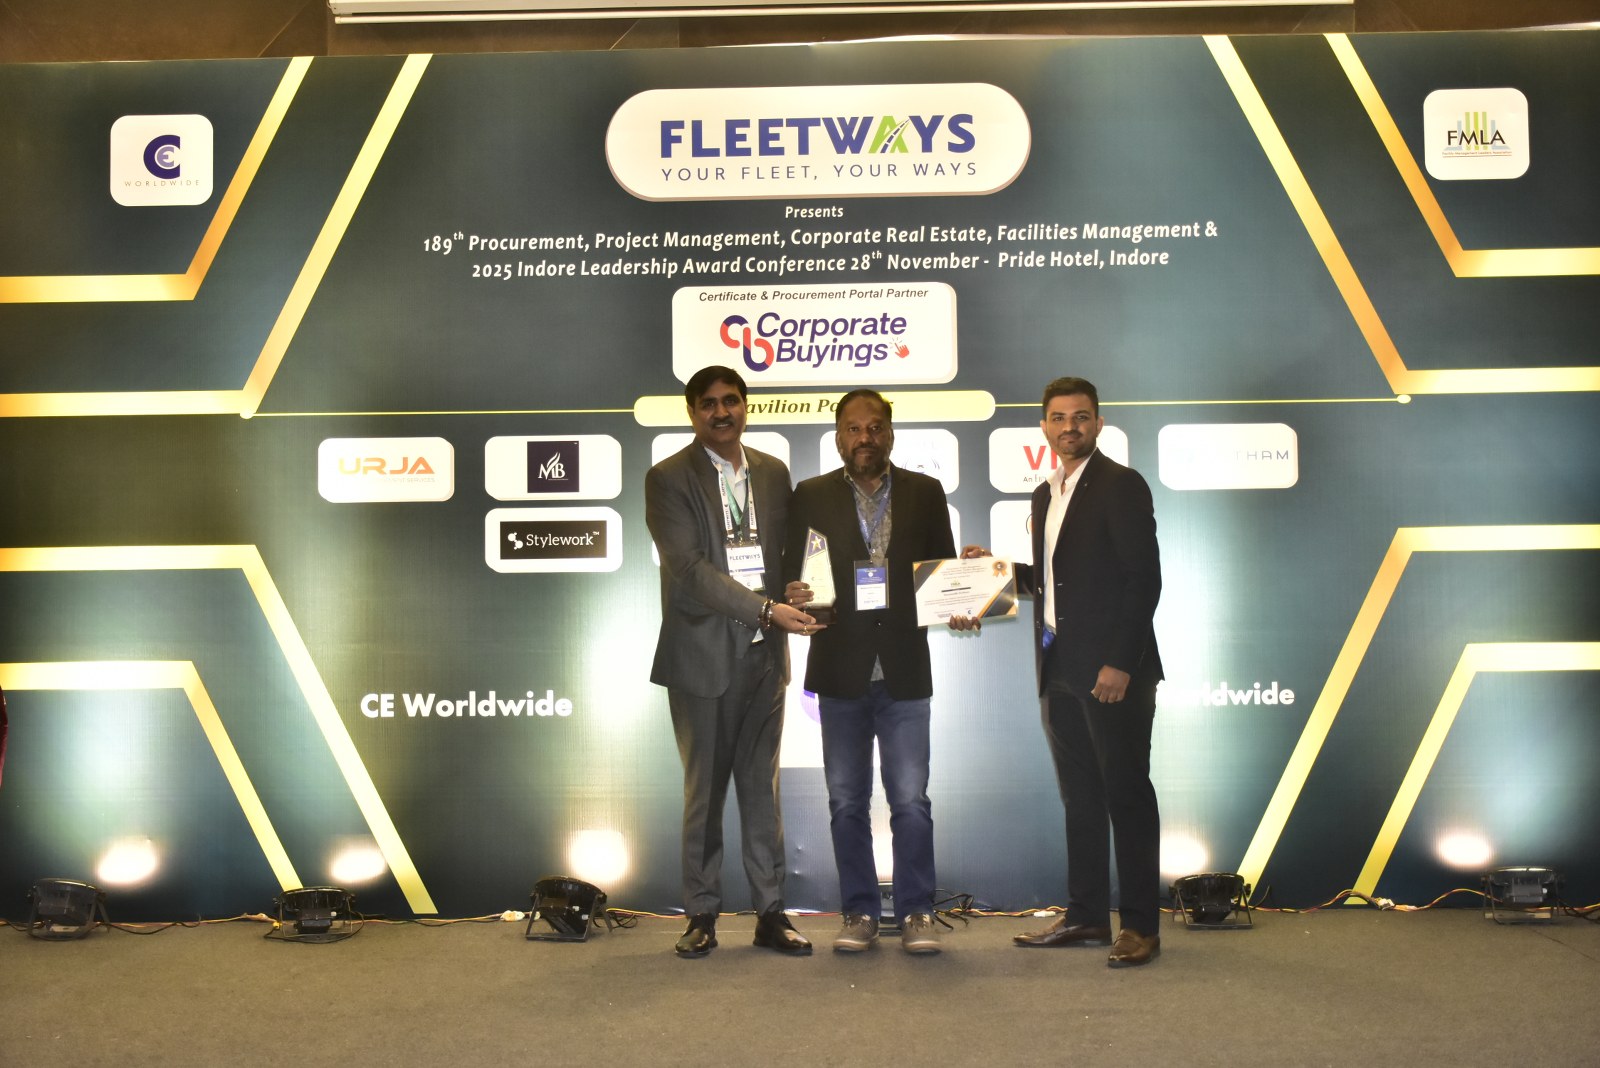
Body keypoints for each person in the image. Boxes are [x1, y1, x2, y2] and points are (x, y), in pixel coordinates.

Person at [959, 376, 1165, 967]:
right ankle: (1087, 917)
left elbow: (1143, 579)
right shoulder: (1045, 493)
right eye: (1058, 417)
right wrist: (994, 573)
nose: (1069, 427)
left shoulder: (1121, 485)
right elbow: (1054, 581)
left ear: (1098, 423)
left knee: (1126, 794)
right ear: (1044, 426)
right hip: (1058, 668)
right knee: (1081, 799)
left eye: (1080, 417)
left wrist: (1120, 662)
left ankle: (1141, 927)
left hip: (1111, 672)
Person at [645, 365, 820, 958]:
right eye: (709, 404)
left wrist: (792, 589)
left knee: (761, 791)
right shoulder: (668, 478)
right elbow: (689, 569)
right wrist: (766, 609)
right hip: (704, 658)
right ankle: (701, 914)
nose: (722, 412)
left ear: (746, 406)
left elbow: (782, 554)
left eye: (731, 401)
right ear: (693, 413)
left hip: (765, 657)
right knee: (705, 794)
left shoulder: (771, 472)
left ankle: (771, 913)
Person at [784, 389, 959, 955]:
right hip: (840, 672)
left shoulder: (925, 492)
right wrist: (793, 592)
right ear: (839, 437)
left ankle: (917, 912)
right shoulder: (810, 495)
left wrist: (964, 597)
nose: (866, 437)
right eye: (854, 428)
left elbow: (943, 575)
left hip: (904, 672)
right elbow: (792, 573)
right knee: (846, 802)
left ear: (890, 433)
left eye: (876, 427)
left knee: (911, 802)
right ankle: (859, 912)